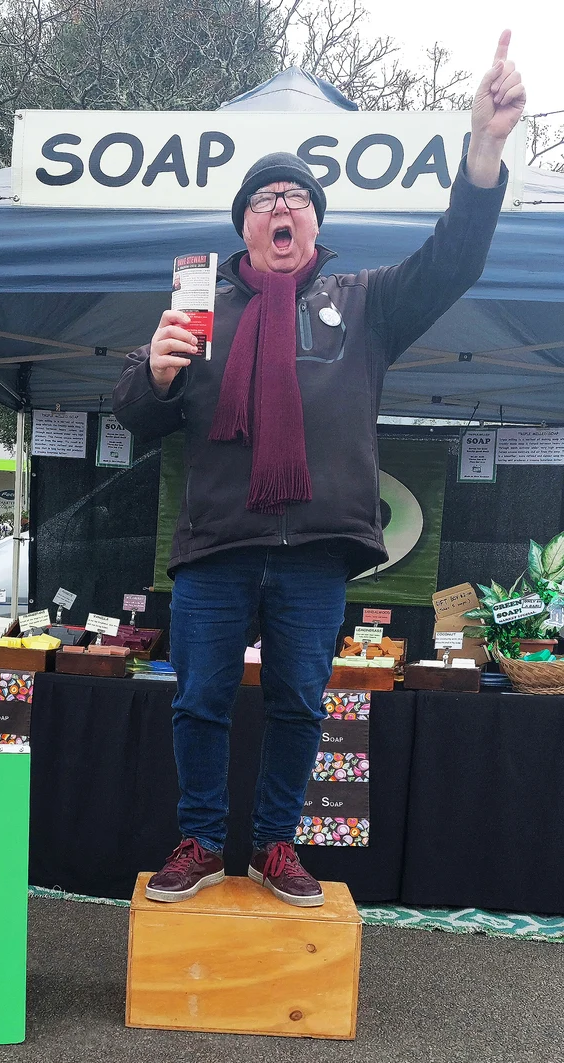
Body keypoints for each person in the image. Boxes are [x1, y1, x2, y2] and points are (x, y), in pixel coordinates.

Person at [113, 32, 525, 906]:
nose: (283, 205)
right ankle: (196, 835)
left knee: (301, 703)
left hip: (319, 549)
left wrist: (483, 149)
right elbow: (139, 418)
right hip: (219, 545)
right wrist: (151, 371)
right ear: (246, 225)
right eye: (267, 196)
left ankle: (274, 843)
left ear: (314, 225)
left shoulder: (366, 303)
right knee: (200, 702)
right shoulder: (200, 314)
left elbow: (455, 257)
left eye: (297, 194)